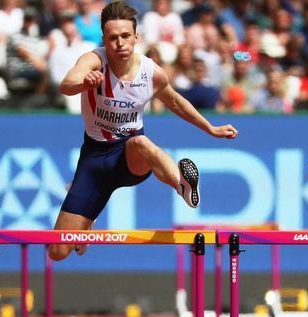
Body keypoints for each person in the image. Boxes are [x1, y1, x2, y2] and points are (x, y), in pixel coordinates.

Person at [48, 1, 237, 261]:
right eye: (113, 38)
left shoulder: (151, 72)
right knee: (57, 251)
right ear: (104, 39)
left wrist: (211, 128)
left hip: (128, 156)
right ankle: (85, 228)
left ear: (137, 37)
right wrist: (84, 81)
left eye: (126, 36)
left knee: (141, 143)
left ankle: (182, 186)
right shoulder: (94, 60)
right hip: (94, 160)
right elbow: (66, 84)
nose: (120, 44)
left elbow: (176, 102)